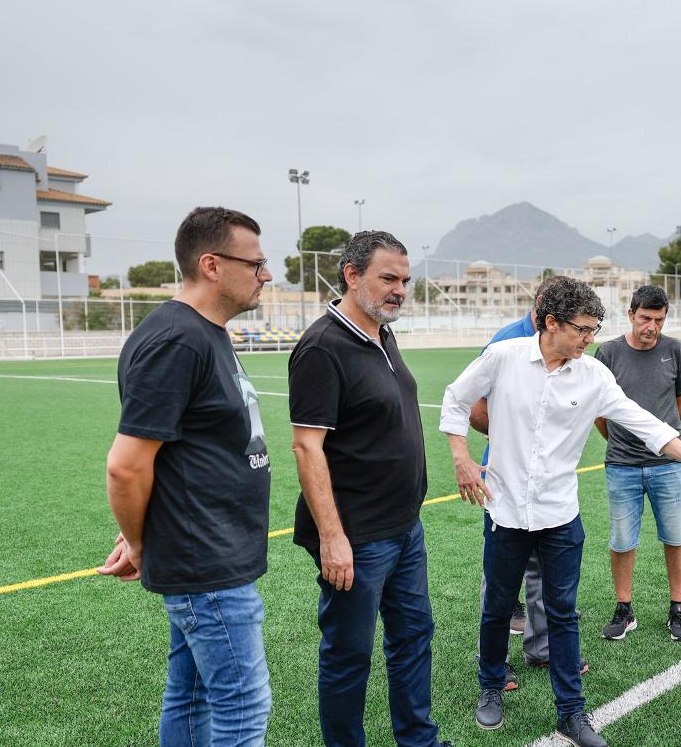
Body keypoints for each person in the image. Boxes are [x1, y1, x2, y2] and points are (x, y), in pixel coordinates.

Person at [440, 277, 681, 747]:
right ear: (550, 323)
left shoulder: (595, 376)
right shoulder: (504, 358)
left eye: (593, 328)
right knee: (497, 607)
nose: (589, 338)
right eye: (581, 329)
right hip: (504, 512)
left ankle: (571, 713)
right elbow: (456, 397)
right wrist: (462, 458)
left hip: (560, 517)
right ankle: (490, 686)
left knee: (563, 614)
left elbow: (647, 425)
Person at [97, 206, 274, 746]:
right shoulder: (178, 340)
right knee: (243, 706)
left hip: (209, 553)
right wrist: (137, 540)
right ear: (212, 265)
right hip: (206, 560)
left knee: (192, 697)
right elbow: (126, 464)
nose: (266, 274)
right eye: (257, 263)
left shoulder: (206, 332)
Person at [288, 231, 450, 747]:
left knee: (412, 638)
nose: (400, 289)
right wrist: (333, 538)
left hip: (404, 528)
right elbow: (306, 449)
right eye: (388, 278)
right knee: (349, 653)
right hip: (356, 538)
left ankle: (418, 741)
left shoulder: (382, 333)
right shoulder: (321, 348)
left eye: (405, 279)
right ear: (352, 275)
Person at [468, 275, 590, 691]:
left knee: (542, 576)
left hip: (549, 492)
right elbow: (473, 407)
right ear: (545, 310)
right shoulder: (506, 344)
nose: (584, 336)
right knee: (500, 584)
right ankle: (495, 664)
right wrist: (509, 437)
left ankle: (542, 648)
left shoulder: (572, 351)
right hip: (504, 485)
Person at [594, 285, 681, 642]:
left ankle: (678, 609)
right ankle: (624, 609)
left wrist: (664, 445)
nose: (651, 326)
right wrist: (622, 443)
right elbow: (600, 414)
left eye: (658, 319)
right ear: (630, 314)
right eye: (645, 319)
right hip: (621, 466)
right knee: (622, 540)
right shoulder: (607, 353)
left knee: (675, 536)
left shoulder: (676, 351)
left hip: (668, 465)